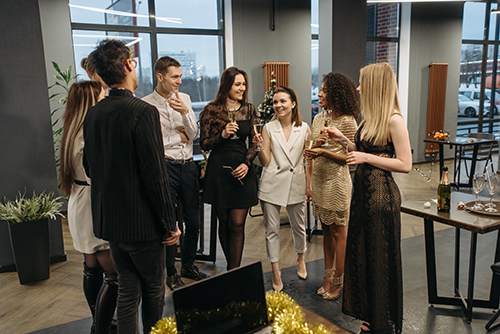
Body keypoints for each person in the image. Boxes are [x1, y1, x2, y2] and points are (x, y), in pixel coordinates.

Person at [83, 39, 180, 334]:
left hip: (111, 225)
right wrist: (169, 224)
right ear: (128, 65)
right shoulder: (142, 111)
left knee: (127, 290)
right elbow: (156, 175)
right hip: (143, 226)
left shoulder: (94, 113)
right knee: (153, 291)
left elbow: (90, 168)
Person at [327, 63, 411, 334]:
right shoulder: (370, 119)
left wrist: (364, 157)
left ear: (376, 86)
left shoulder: (394, 119)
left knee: (379, 260)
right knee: (364, 257)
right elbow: (360, 150)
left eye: (363, 83)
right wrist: (343, 140)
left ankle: (383, 321)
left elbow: (405, 163)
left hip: (381, 200)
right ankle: (373, 315)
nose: (359, 88)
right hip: (363, 197)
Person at [142, 56, 209, 291]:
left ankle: (188, 265)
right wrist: (176, 137)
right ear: (160, 77)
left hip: (188, 166)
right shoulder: (146, 105)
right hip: (165, 167)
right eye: (175, 77)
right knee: (170, 223)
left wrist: (186, 113)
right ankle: (170, 271)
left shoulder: (186, 99)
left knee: (193, 221)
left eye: (180, 76)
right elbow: (152, 144)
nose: (179, 81)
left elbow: (193, 135)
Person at [59, 81, 117, 334]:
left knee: (91, 267)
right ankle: (101, 326)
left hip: (79, 201)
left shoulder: (71, 130)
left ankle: (98, 320)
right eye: (102, 96)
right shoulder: (89, 133)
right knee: (113, 275)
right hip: (94, 202)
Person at [304, 73, 359, 300]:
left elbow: (352, 157)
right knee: (325, 229)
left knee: (339, 230)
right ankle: (327, 277)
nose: (319, 94)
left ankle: (339, 281)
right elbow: (311, 149)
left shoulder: (348, 121)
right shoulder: (318, 119)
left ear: (336, 94)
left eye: (324, 90)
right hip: (319, 180)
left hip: (337, 182)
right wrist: (315, 145)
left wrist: (323, 151)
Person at [199, 66, 258, 270]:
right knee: (223, 222)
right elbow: (204, 144)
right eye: (237, 84)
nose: (242, 88)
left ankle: (234, 269)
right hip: (219, 172)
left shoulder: (249, 109)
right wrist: (222, 135)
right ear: (227, 85)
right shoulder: (211, 110)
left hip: (242, 168)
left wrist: (247, 163)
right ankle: (231, 270)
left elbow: (255, 143)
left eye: (244, 84)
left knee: (237, 223)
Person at [252, 86, 311, 291]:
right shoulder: (268, 128)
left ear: (293, 103)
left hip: (296, 181)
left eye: (283, 101)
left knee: (299, 227)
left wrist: (309, 186)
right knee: (271, 230)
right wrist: (259, 147)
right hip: (272, 182)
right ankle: (275, 270)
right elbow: (266, 161)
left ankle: (300, 258)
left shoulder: (304, 128)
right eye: (275, 102)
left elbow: (308, 160)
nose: (278, 105)